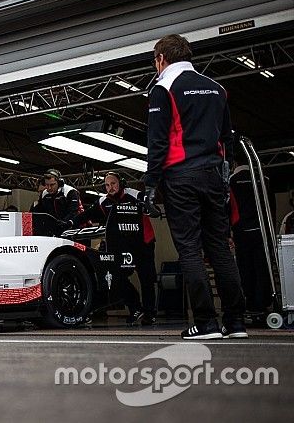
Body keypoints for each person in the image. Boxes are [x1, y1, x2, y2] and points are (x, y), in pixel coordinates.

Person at [144, 33, 246, 340]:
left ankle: (205, 323)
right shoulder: (217, 88)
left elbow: (157, 142)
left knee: (189, 248)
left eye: (154, 59)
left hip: (181, 178)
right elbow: (227, 138)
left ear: (161, 59)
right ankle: (236, 322)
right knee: (219, 247)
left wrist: (150, 185)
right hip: (214, 176)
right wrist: (223, 176)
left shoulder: (163, 88)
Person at [66, 172, 157, 325]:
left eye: (113, 184)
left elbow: (151, 207)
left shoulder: (135, 195)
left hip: (143, 243)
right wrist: (69, 223)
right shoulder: (103, 201)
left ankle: (150, 314)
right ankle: (136, 308)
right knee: (115, 277)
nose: (110, 188)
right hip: (121, 246)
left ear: (121, 183)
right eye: (107, 185)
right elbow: (86, 214)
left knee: (146, 279)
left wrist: (151, 208)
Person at [229, 164, 276, 315]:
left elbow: (228, 208)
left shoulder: (232, 181)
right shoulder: (264, 178)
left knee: (245, 267)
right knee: (264, 267)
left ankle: (251, 302)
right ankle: (264, 301)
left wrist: (227, 231)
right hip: (262, 230)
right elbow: (271, 207)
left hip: (241, 230)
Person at [30, 169, 84, 233]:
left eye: (52, 185)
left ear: (59, 182)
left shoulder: (70, 192)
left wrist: (61, 224)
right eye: (47, 185)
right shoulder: (45, 193)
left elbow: (73, 212)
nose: (49, 188)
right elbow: (40, 212)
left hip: (78, 227)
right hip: (58, 228)